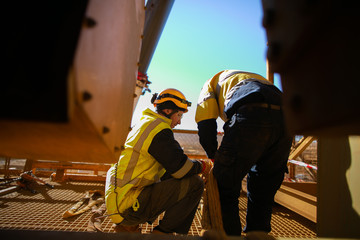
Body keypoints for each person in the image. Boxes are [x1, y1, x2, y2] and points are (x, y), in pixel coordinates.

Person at [195, 70, 292, 236]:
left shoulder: (210, 84)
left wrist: (214, 156)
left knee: (223, 185)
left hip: (251, 111)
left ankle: (229, 237)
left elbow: (205, 123)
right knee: (264, 188)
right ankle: (258, 234)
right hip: (287, 119)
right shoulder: (253, 79)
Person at [105, 88, 212, 235]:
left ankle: (127, 228)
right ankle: (163, 233)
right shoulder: (159, 130)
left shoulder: (146, 124)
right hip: (126, 208)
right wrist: (203, 166)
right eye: (179, 115)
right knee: (195, 184)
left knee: (178, 176)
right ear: (168, 111)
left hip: (118, 202)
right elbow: (181, 168)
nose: (179, 121)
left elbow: (171, 168)